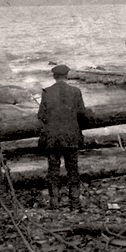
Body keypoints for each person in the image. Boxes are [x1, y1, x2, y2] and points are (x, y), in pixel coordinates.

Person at [37, 64, 93, 210]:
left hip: (52, 138)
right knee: (73, 169)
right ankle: (74, 202)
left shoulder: (46, 92)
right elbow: (82, 115)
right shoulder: (75, 91)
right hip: (71, 137)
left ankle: (54, 202)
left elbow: (41, 116)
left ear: (54, 76)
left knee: (53, 170)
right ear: (67, 75)